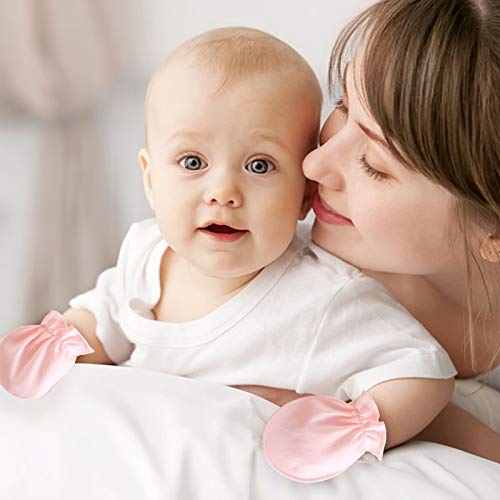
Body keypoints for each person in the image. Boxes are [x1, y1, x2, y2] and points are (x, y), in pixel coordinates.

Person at [0, 27, 456, 482]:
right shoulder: (144, 252)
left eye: (259, 165)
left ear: (303, 195)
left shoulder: (325, 296)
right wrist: (65, 345)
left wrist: (357, 422)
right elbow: (103, 321)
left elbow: (423, 372)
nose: (222, 192)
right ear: (151, 179)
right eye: (193, 162)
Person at [236, 0, 500, 464]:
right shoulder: (283, 282)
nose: (313, 164)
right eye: (342, 104)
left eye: (375, 165)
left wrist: (408, 416)